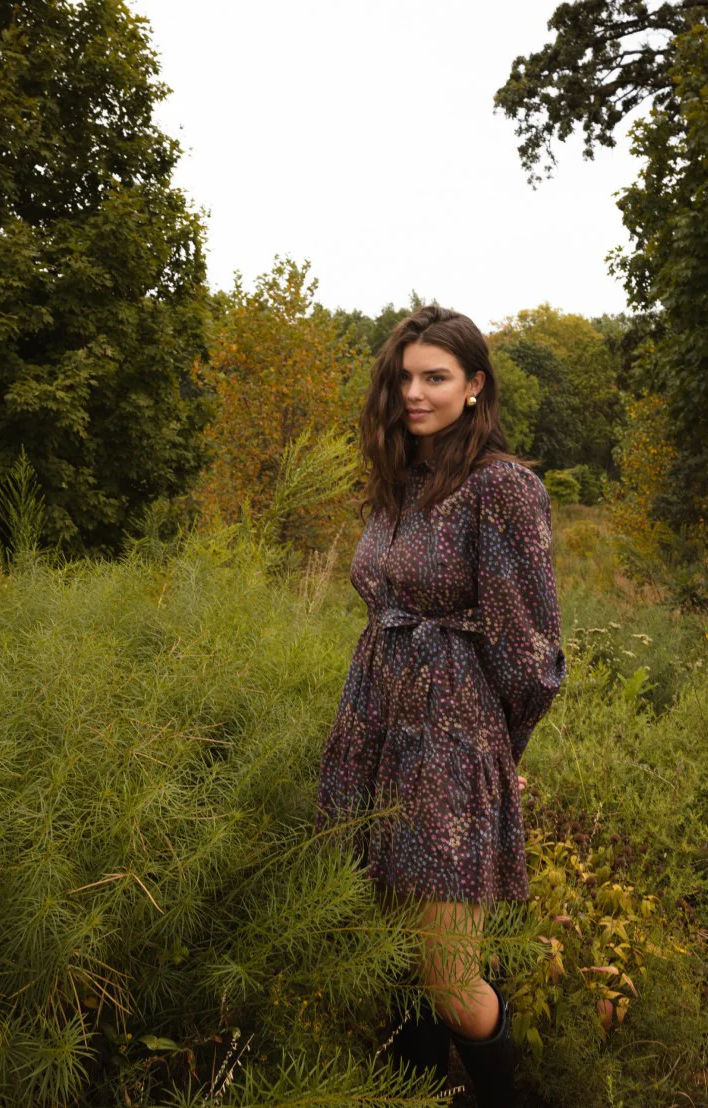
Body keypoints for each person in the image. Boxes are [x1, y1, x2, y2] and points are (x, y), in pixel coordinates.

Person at [313, 304, 566, 1105]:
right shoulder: (400, 478)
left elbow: (531, 654)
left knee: (448, 972)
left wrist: (495, 757)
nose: (414, 393)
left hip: (450, 743)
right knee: (392, 954)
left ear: (474, 387)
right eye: (404, 376)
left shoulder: (501, 489)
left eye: (436, 377)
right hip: (377, 729)